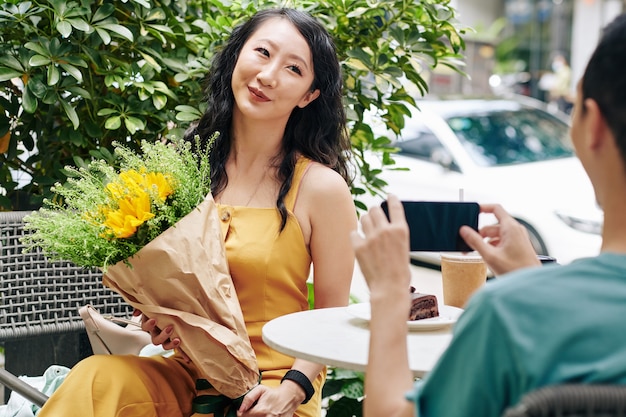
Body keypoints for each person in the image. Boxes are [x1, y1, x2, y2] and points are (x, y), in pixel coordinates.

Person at [38, 8, 357, 417]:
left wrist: (293, 390)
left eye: (293, 69)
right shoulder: (182, 169)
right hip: (183, 376)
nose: (268, 76)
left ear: (309, 95)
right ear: (237, 56)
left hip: (270, 390)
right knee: (96, 379)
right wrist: (159, 321)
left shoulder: (321, 188)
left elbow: (333, 315)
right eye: (262, 52)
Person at [352, 12, 626, 417]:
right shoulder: (527, 303)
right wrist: (533, 280)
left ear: (593, 125)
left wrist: (390, 292)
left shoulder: (507, 314)